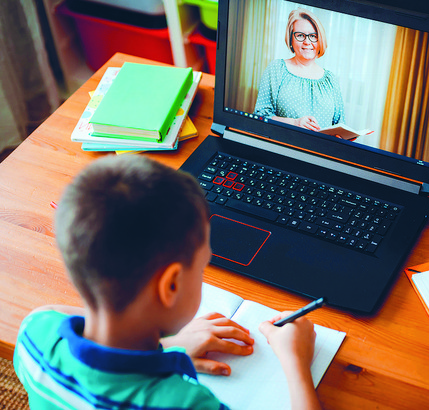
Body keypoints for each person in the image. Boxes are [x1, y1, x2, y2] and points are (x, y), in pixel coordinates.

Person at [13, 155, 321, 410]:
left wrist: (167, 346)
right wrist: (297, 362)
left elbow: (52, 310)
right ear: (170, 285)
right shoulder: (185, 403)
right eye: (202, 267)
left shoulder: (34, 336)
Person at [254, 8, 345, 132]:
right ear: (291, 39)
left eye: (313, 36)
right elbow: (260, 117)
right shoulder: (276, 69)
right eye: (300, 35)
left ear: (320, 40)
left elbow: (340, 124)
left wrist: (343, 135)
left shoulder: (330, 79)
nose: (307, 42)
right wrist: (294, 123)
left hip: (320, 150)